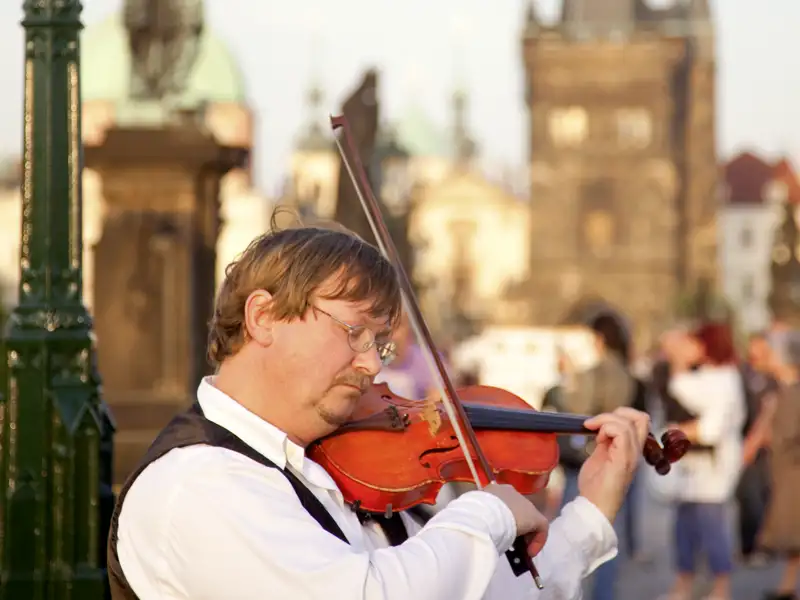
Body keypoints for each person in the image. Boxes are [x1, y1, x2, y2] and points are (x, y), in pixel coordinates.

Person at [108, 219, 652, 600]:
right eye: (354, 332)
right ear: (264, 317)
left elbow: (477, 590)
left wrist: (589, 517)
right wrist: (487, 511)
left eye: (381, 343)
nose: (372, 366)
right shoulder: (198, 483)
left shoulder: (335, 468)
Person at [658, 324, 746, 600]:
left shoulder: (725, 378)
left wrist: (680, 431)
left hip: (714, 468)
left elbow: (712, 427)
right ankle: (683, 584)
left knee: (712, 530)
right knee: (684, 529)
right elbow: (680, 387)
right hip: (691, 467)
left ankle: (722, 589)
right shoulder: (706, 375)